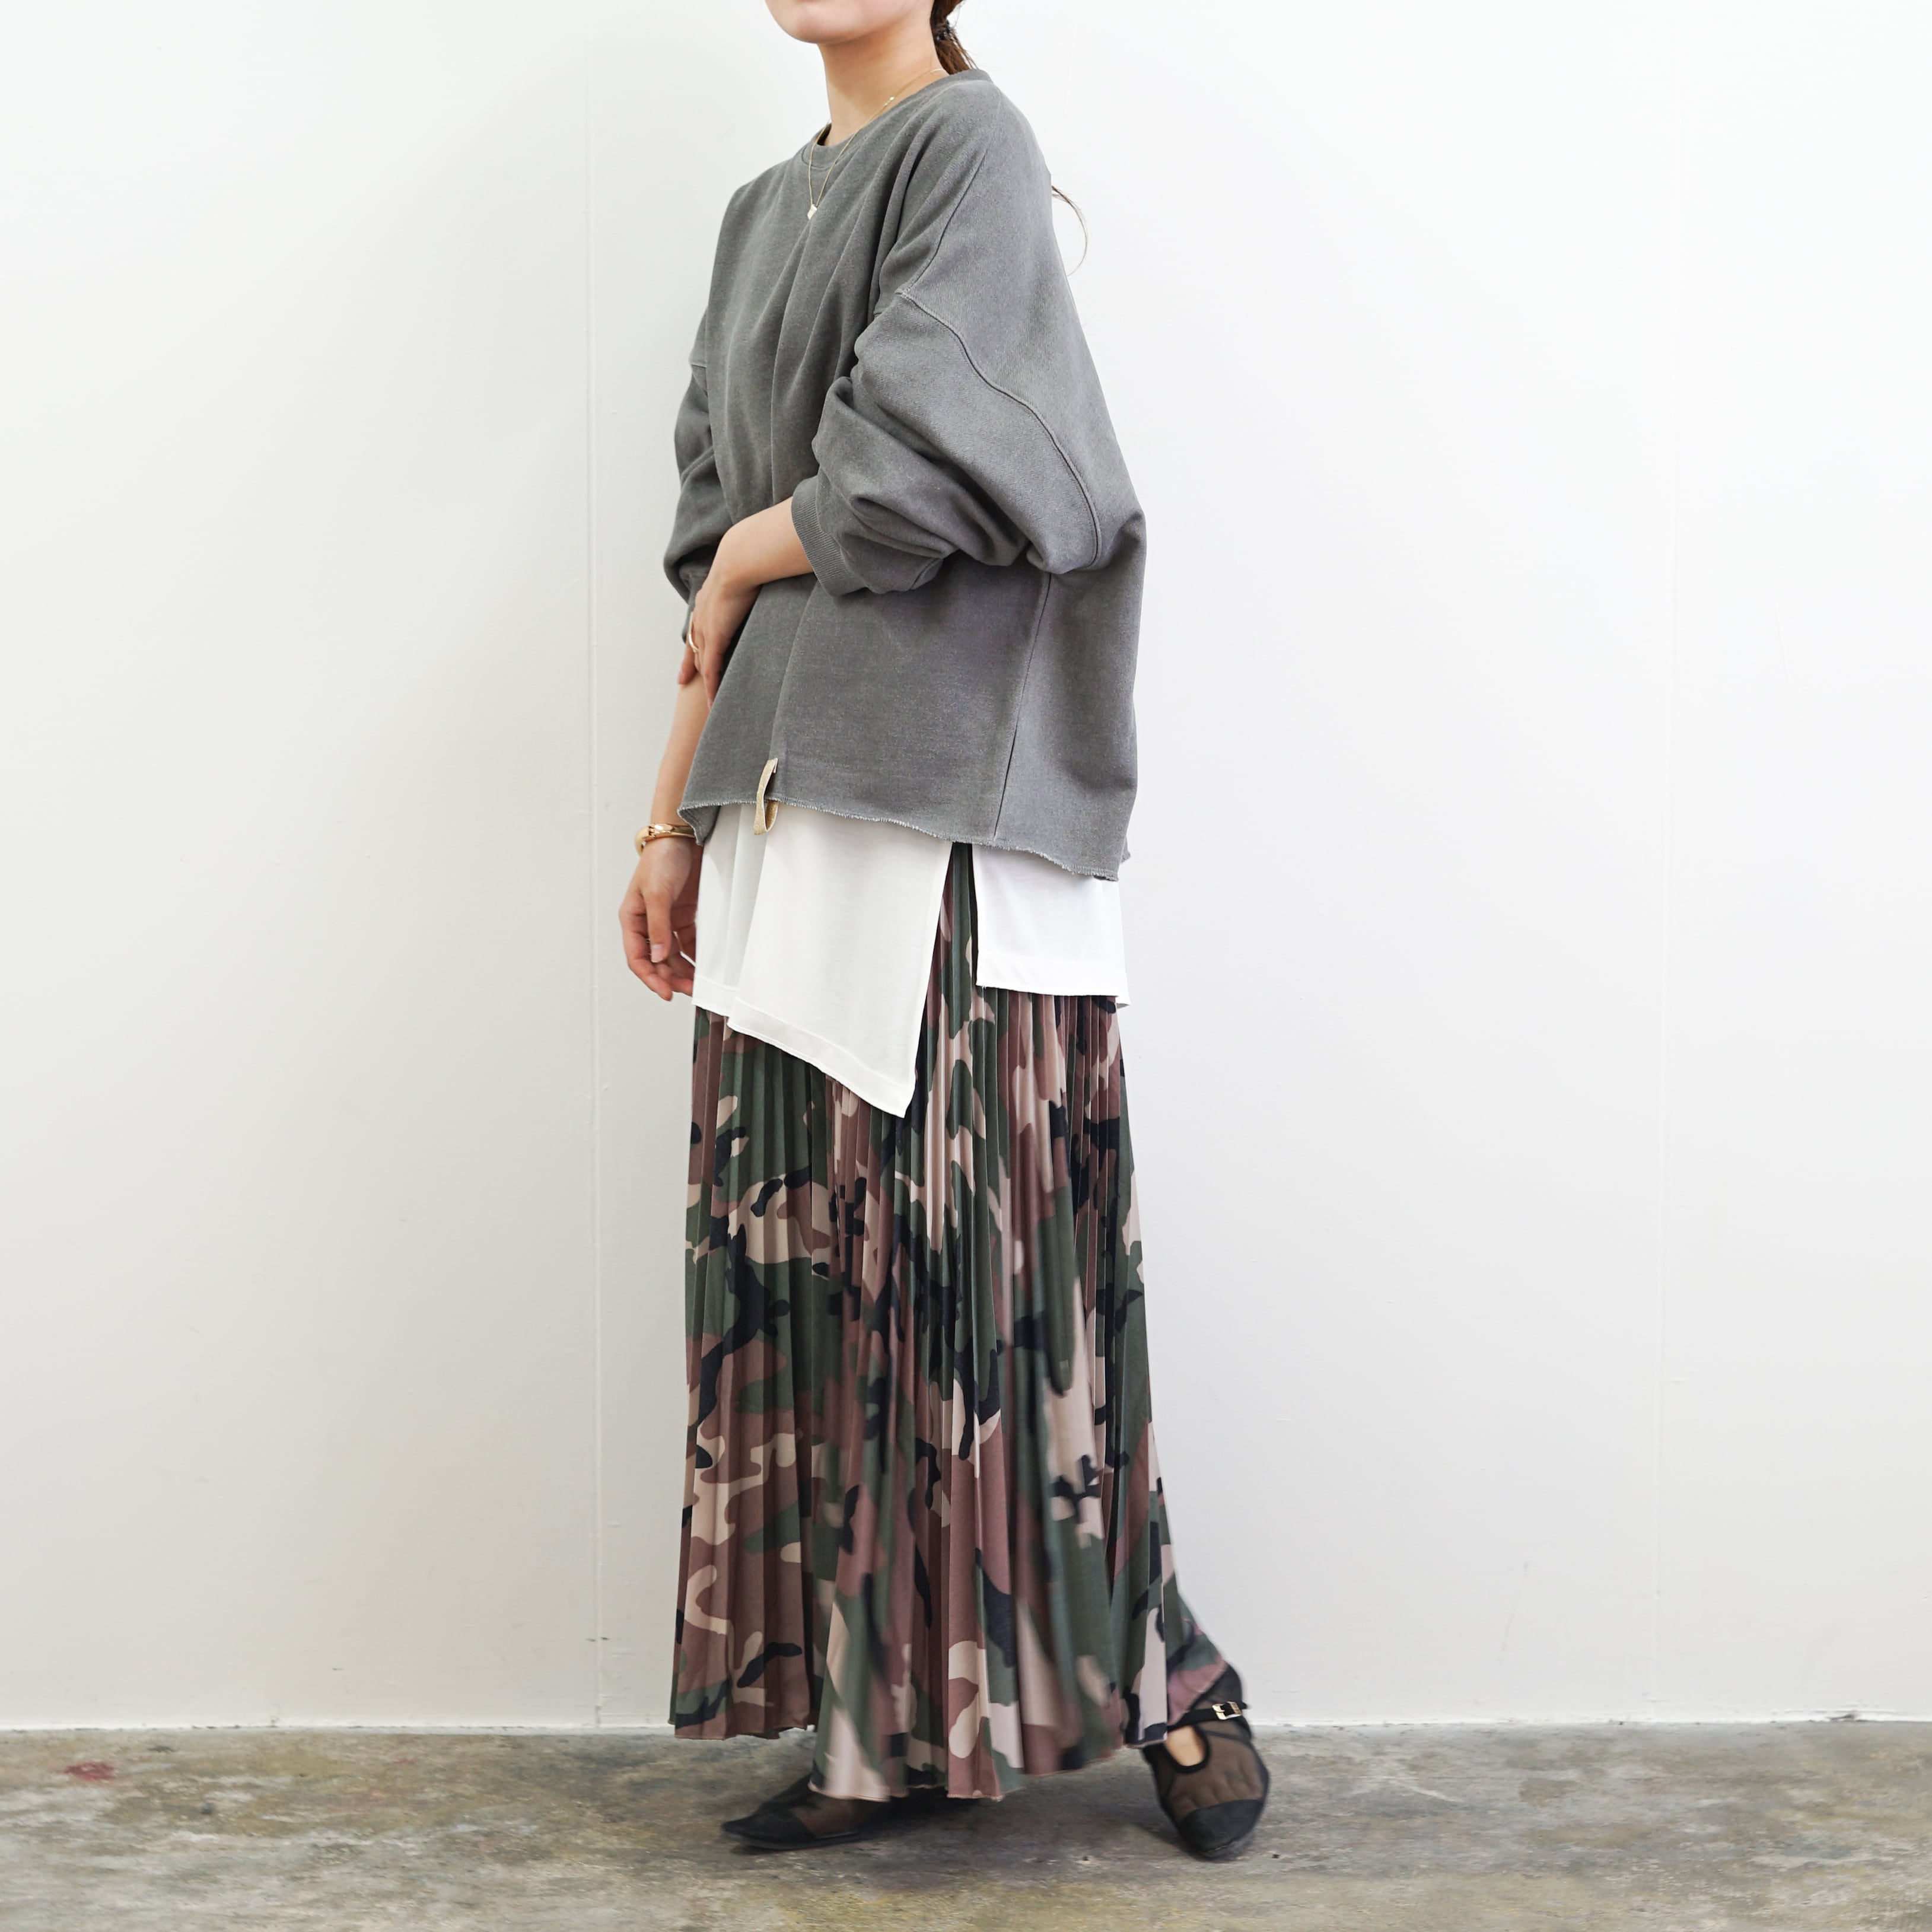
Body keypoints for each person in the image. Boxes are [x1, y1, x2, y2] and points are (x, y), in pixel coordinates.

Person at [618, 0, 1270, 1861]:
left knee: (1001, 1307)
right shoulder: (758, 216)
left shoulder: (966, 145)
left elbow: (909, 474)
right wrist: (663, 820)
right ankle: (881, 1725)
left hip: (952, 820)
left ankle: (1172, 1681)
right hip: (779, 811)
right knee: (834, 1299)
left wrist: (757, 552)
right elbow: (712, 555)